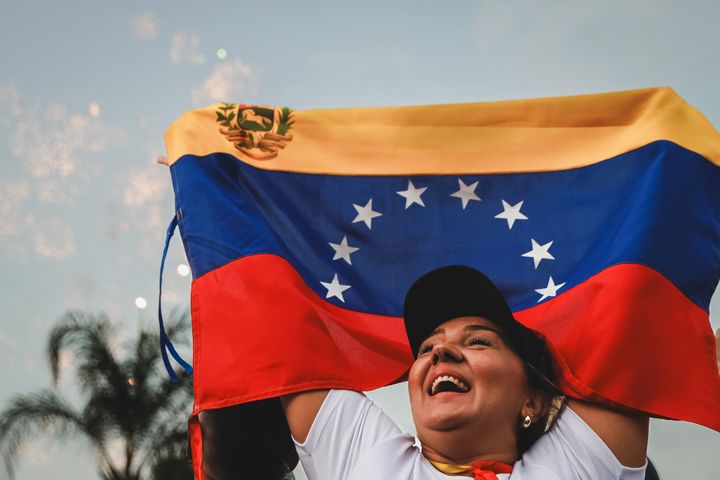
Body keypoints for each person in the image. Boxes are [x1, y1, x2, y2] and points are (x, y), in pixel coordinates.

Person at [280, 265, 651, 479]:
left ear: (533, 402)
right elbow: (280, 325)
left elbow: (633, 299)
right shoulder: (368, 455)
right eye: (426, 348)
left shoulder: (573, 465)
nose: (440, 351)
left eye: (478, 342)